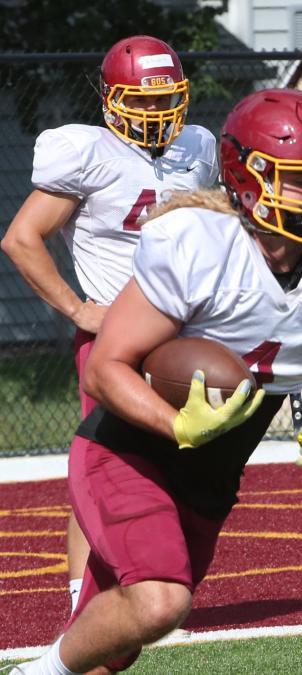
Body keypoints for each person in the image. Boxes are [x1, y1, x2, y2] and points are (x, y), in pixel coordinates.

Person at [16, 88, 302, 675]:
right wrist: (174, 421)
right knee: (162, 600)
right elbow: (107, 367)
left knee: (114, 649)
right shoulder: (199, 245)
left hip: (211, 481)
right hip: (128, 454)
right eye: (299, 180)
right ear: (249, 177)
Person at [0, 35, 218, 615]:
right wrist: (77, 310)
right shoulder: (86, 151)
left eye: (164, 99)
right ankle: (83, 599)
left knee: (181, 461)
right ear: (111, 98)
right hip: (115, 338)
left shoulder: (196, 147)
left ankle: (159, 586)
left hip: (181, 334)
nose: (154, 112)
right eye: (141, 101)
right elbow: (21, 239)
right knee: (107, 466)